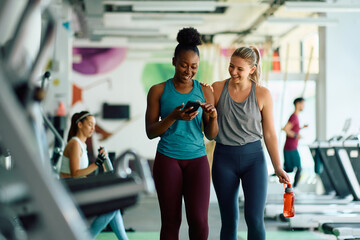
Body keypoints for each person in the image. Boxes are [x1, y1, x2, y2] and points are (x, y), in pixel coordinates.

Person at [145, 27, 218, 240]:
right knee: (171, 221)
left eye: (194, 67)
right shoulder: (158, 90)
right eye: (184, 65)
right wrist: (172, 118)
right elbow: (150, 131)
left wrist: (213, 117)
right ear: (174, 61)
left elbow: (212, 135)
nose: (188, 71)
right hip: (168, 159)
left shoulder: (205, 91)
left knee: (199, 220)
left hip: (197, 159)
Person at [210, 46, 290, 240]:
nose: (233, 72)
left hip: (254, 161)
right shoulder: (217, 88)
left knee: (254, 219)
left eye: (240, 69)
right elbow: (208, 127)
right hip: (223, 160)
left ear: (252, 69)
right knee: (229, 220)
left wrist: (278, 166)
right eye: (231, 66)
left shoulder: (262, 94)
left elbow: (270, 134)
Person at [59, 111, 128, 240]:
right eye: (90, 124)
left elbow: (85, 173)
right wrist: (97, 164)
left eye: (94, 125)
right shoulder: (74, 144)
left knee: (114, 205)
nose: (93, 129)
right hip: (69, 190)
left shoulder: (82, 144)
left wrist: (101, 161)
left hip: (77, 187)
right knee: (112, 206)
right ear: (80, 124)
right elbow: (75, 174)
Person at [282, 97, 308, 188]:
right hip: (290, 147)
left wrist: (301, 128)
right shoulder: (294, 116)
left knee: (289, 169)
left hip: (291, 147)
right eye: (303, 104)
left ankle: (291, 187)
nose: (304, 106)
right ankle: (294, 188)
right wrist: (296, 136)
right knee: (298, 168)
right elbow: (286, 129)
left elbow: (292, 128)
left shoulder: (296, 116)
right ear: (298, 104)